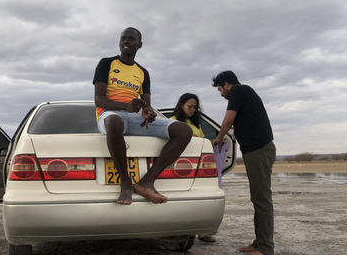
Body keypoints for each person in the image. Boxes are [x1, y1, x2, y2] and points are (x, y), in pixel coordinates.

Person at [93, 27, 193, 205]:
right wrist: (125, 106)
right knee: (115, 121)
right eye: (123, 38)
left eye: (131, 39)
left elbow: (146, 104)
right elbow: (99, 100)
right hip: (110, 115)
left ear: (139, 45)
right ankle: (125, 184)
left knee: (184, 130)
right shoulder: (106, 63)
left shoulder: (142, 72)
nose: (126, 41)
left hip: (134, 118)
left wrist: (148, 112)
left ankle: (146, 182)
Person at [211, 70, 276, 255]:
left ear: (226, 84)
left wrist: (217, 138)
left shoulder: (238, 91)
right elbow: (234, 124)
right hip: (255, 151)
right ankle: (259, 243)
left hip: (259, 150)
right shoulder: (245, 94)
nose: (221, 94)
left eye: (219, 90)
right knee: (258, 198)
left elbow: (228, 120)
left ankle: (265, 248)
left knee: (262, 199)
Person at [170, 93, 217, 243]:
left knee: (200, 199)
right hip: (179, 167)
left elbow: (202, 141)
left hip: (198, 167)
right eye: (190, 107)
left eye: (195, 108)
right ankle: (178, 232)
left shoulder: (196, 124)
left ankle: (203, 232)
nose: (192, 110)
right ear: (181, 105)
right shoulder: (171, 122)